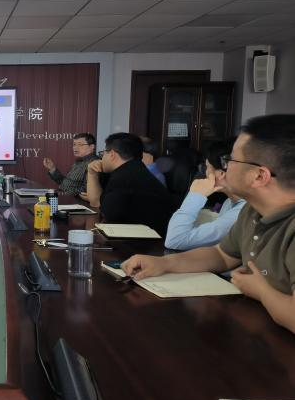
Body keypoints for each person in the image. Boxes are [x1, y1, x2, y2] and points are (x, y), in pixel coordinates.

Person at [122, 115, 295, 334]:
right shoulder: (252, 211)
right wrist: (163, 264)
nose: (225, 168)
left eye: (230, 160)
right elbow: (221, 255)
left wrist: (262, 292)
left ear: (259, 176)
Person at [85, 132, 177, 235]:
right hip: (145, 235)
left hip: (146, 240)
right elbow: (96, 203)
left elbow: (107, 214)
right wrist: (92, 173)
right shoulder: (133, 170)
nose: (102, 158)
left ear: (112, 154)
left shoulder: (125, 178)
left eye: (103, 153)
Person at [164, 139, 246, 250]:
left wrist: (195, 195)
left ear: (221, 173)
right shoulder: (230, 202)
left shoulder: (241, 212)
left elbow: (175, 240)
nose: (205, 173)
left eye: (206, 167)